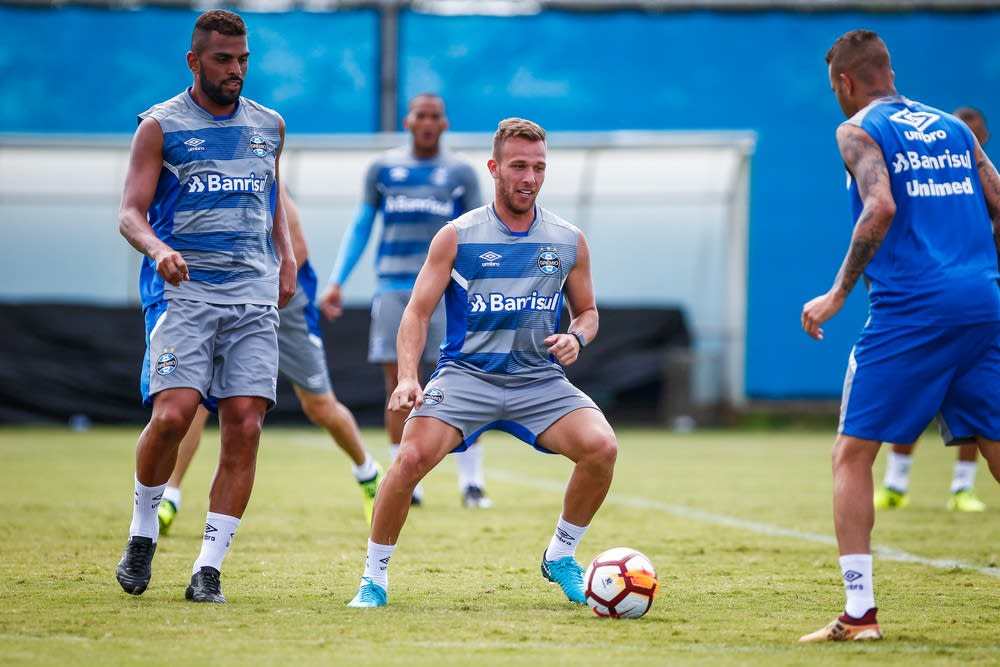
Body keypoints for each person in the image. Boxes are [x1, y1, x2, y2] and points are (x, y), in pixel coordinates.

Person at [345, 117, 619, 609]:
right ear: (494, 168)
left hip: (538, 380)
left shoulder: (568, 240)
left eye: (538, 167)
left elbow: (590, 312)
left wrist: (578, 336)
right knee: (407, 460)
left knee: (601, 448)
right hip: (465, 377)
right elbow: (416, 313)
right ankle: (374, 580)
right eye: (518, 166)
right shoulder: (457, 236)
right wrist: (408, 377)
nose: (529, 178)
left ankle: (560, 556)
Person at [799, 29, 1000, 642]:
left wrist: (835, 293)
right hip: (983, 302)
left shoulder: (857, 128)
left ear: (844, 82)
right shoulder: (955, 128)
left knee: (852, 454)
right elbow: (998, 199)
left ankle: (859, 615)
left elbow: (879, 205)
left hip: (912, 309)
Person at [115, 9, 296, 604]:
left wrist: (288, 258)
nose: (236, 69)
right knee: (173, 415)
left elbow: (271, 197)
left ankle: (207, 570)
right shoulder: (159, 126)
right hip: (184, 292)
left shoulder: (269, 125)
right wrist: (157, 248)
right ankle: (144, 529)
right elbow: (130, 212)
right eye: (224, 59)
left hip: (252, 297)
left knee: (244, 425)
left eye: (243, 59)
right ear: (195, 61)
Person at [156, 183, 382, 535]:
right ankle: (170, 496)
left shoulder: (265, 181)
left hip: (283, 304)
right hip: (224, 303)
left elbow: (300, 251)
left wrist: (251, 287)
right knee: (194, 396)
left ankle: (368, 474)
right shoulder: (202, 180)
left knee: (320, 407)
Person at [320, 93, 491, 509]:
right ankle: (407, 482)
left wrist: (484, 285)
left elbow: (480, 231)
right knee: (398, 381)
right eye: (421, 116)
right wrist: (337, 279)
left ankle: (472, 482)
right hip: (394, 288)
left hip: (449, 290)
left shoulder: (461, 172)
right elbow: (362, 225)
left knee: (465, 380)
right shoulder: (383, 169)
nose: (428, 123)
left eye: (436, 116)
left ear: (445, 123)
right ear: (408, 121)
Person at [875, 106, 992, 513]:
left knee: (977, 406)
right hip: (925, 304)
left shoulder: (986, 194)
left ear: (982, 142)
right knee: (910, 399)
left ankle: (963, 487)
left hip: (976, 308)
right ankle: (895, 483)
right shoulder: (932, 189)